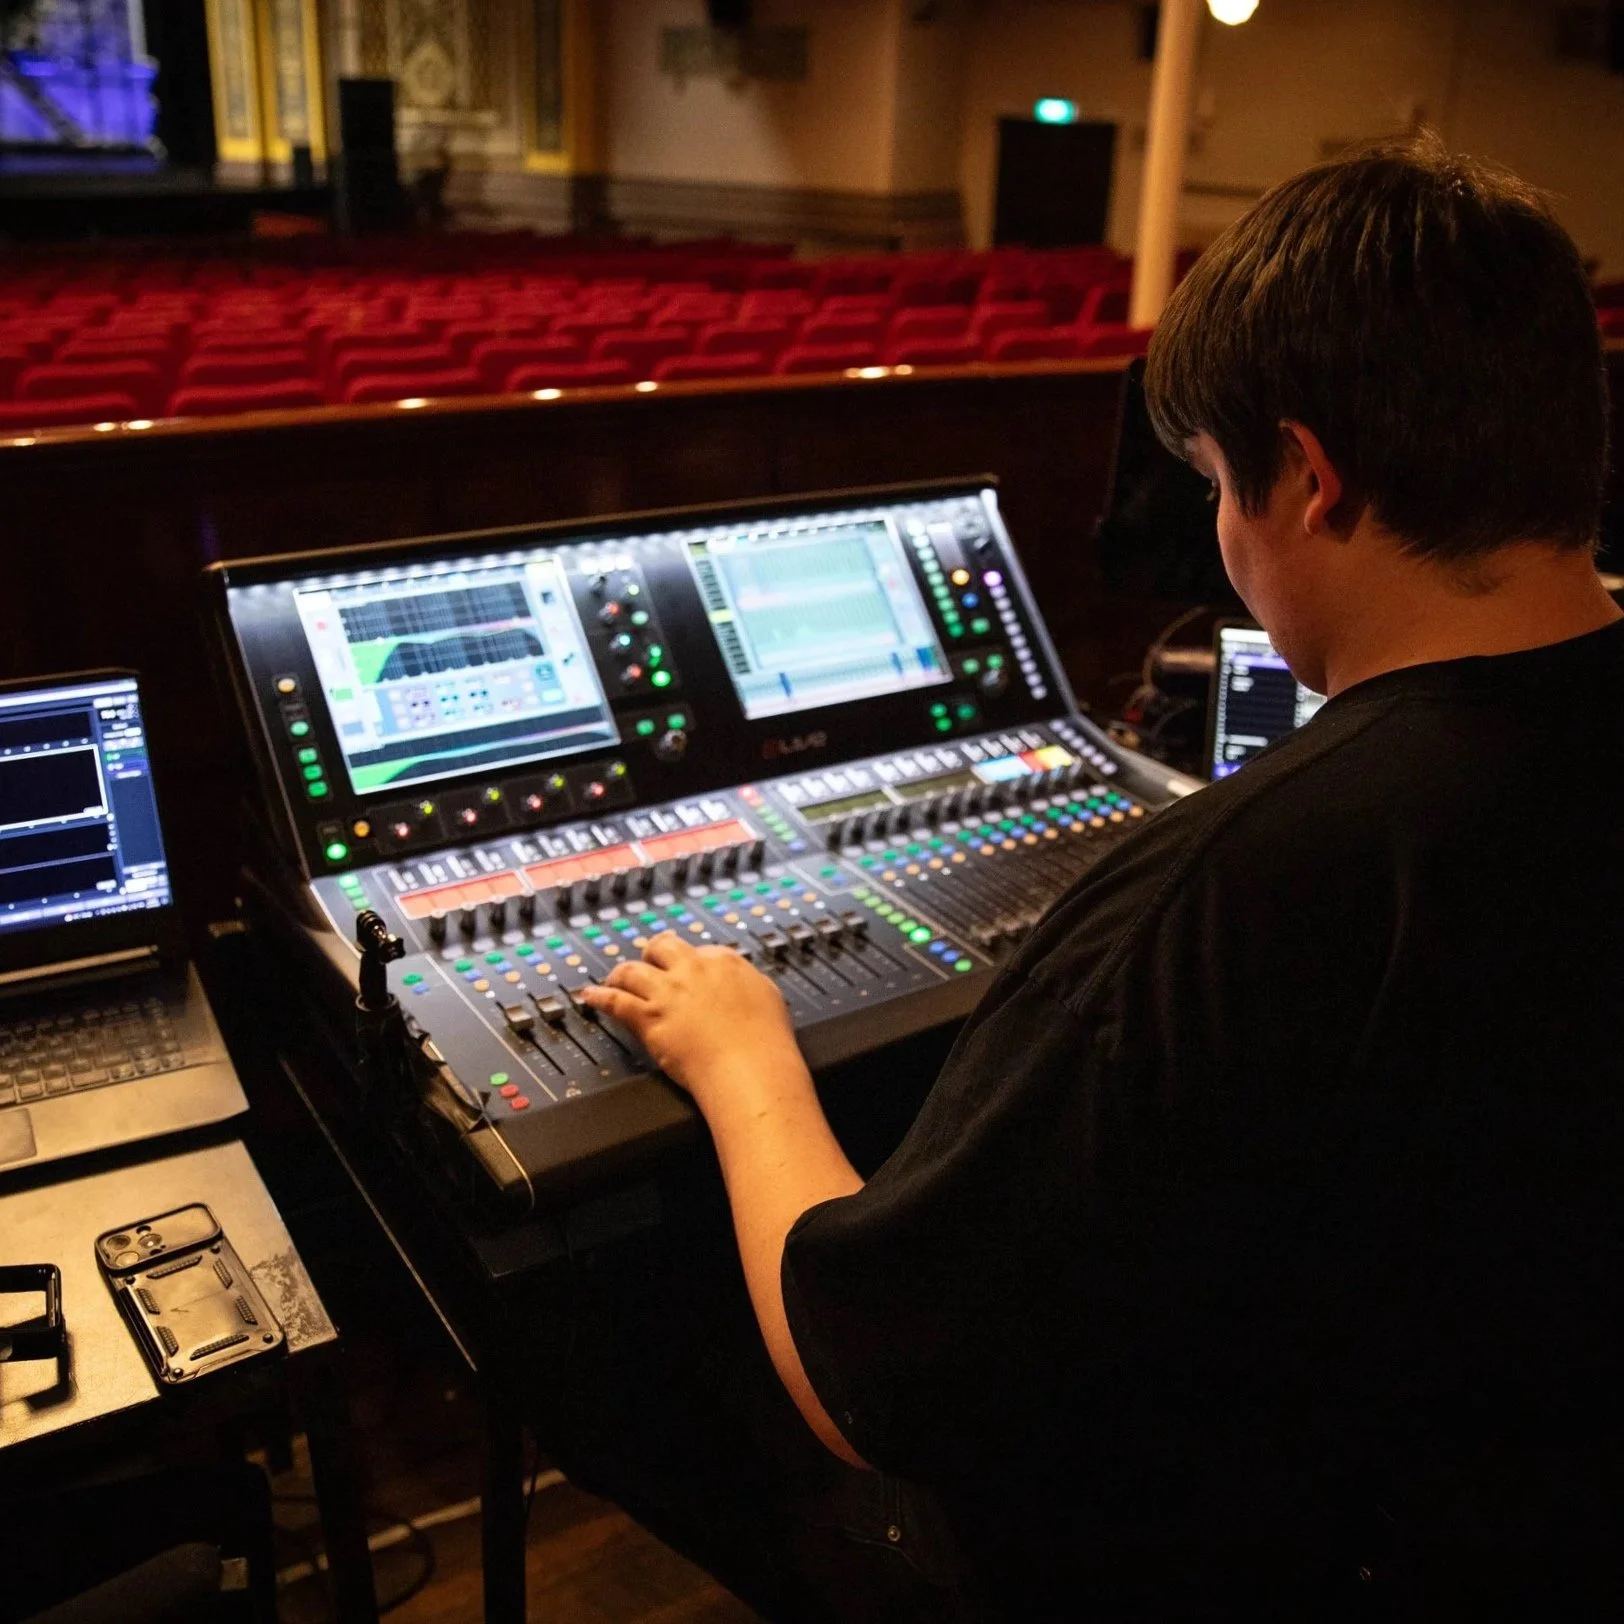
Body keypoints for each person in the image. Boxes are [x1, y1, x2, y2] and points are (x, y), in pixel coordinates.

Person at [579, 134, 1623, 1617]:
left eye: (1213, 483)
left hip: (1238, 1550)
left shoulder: (1239, 889)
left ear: (1312, 480)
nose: (1218, 530)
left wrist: (745, 1057)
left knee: (633, 1339)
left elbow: (867, 1384)